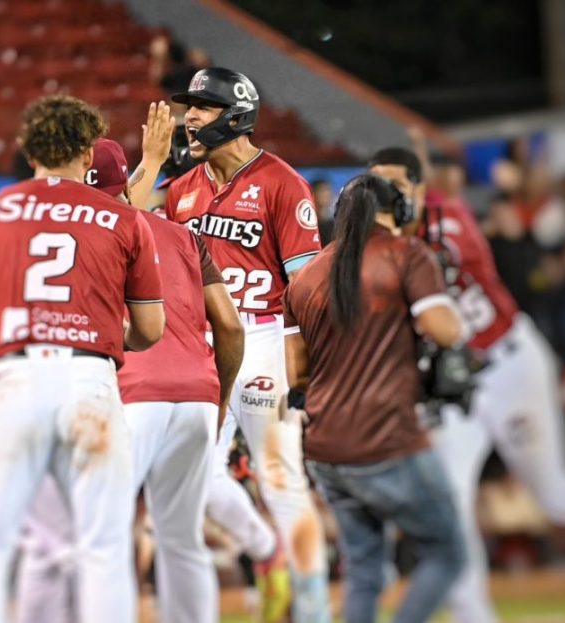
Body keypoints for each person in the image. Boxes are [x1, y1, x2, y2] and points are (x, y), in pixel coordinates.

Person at [0, 95, 165, 623]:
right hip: (89, 377)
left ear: (28, 151)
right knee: (104, 547)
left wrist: (4, 370)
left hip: (11, 374)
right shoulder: (123, 218)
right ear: (90, 153)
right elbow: (151, 330)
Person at [13, 136, 245, 623]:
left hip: (133, 396)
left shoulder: (88, 233)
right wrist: (219, 398)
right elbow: (229, 324)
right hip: (198, 396)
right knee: (182, 540)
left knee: (104, 536)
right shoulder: (183, 234)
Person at [374, 143, 565, 622]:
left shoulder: (447, 217)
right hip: (450, 388)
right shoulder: (377, 243)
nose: (386, 192)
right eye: (377, 183)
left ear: (419, 187)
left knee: (556, 497)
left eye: (397, 182)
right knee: (448, 508)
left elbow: (430, 267)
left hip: (508, 365)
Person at [164, 66, 330, 621]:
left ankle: (311, 610)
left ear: (235, 116)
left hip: (263, 338)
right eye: (190, 106)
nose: (189, 116)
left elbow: (307, 288)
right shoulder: (182, 190)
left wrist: (308, 367)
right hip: (200, 347)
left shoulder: (283, 183)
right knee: (197, 478)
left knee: (281, 477)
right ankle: (266, 551)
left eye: (202, 107)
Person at [284, 174, 466, 623]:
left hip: (327, 450)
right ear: (396, 212)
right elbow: (446, 331)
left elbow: (296, 373)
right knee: (447, 554)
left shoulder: (305, 276)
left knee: (365, 570)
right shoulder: (406, 254)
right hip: (388, 439)